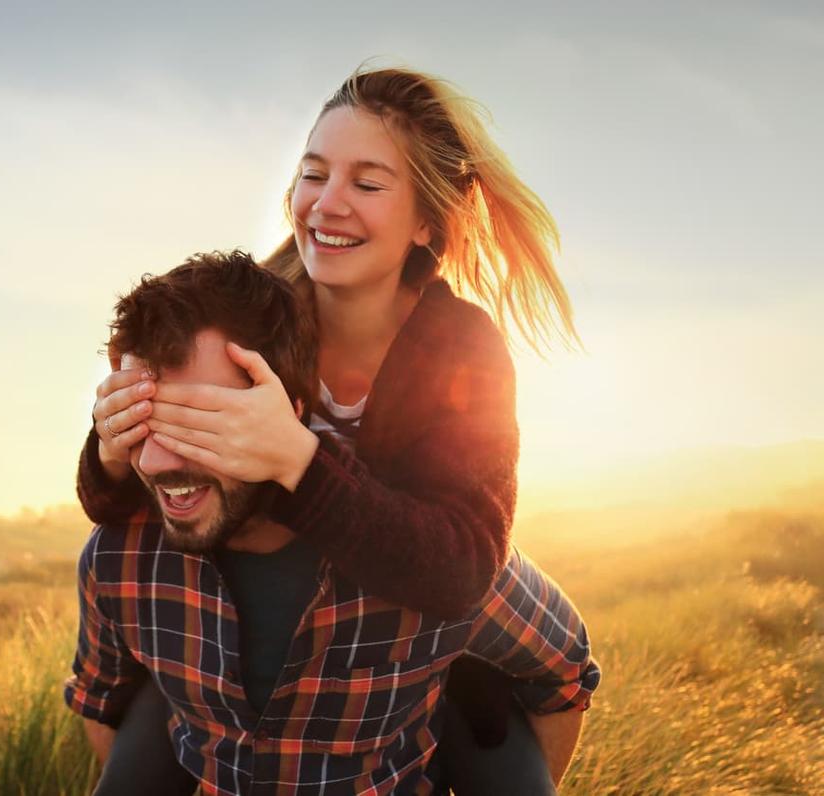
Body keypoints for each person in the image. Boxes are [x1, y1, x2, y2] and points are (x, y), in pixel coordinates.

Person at [76, 65, 580, 792]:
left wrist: (299, 462)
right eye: (314, 174)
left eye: (367, 185)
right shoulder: (253, 309)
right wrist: (110, 452)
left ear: (428, 220)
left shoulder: (459, 347)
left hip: (400, 612)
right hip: (248, 608)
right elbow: (134, 491)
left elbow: (465, 565)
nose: (326, 205)